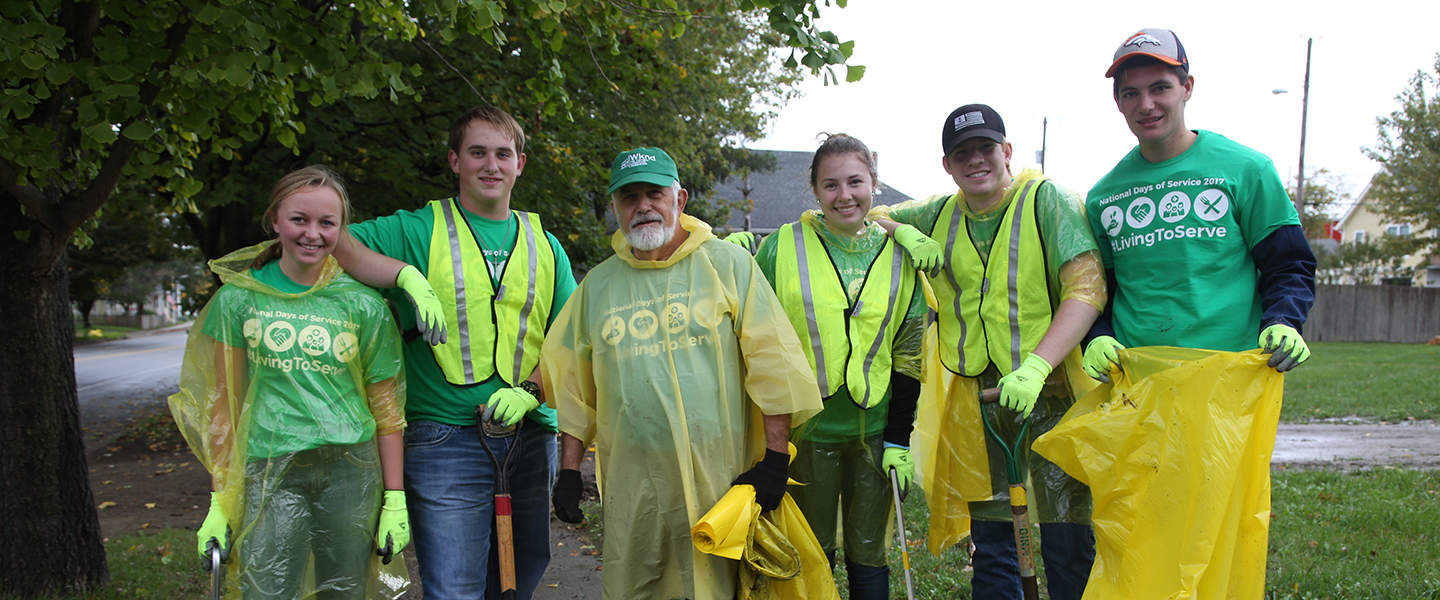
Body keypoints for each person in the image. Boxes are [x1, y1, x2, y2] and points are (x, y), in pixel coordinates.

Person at [541, 147, 824, 600]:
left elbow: (773, 364)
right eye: (629, 197)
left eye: (655, 193)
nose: (643, 206)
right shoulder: (599, 286)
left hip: (718, 476)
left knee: (714, 585)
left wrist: (775, 460)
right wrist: (570, 470)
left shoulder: (726, 266)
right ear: (616, 208)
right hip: (632, 484)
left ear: (680, 198)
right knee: (635, 583)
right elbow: (575, 384)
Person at [332, 106, 579, 599]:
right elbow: (329, 240)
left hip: (530, 438)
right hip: (444, 440)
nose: (491, 164)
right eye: (477, 152)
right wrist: (402, 274)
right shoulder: (418, 229)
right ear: (454, 161)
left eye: (502, 154)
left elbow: (572, 340)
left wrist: (533, 391)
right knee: (455, 588)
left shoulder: (546, 244)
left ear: (520, 164)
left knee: (520, 576)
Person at [878, 104, 1105, 600]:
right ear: (947, 164)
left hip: (1052, 391)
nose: (975, 160)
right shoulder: (937, 213)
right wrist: (903, 231)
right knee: (994, 534)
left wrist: (1038, 368)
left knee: (1067, 530)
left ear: (1007, 151)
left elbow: (1086, 289)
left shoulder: (1048, 201)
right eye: (963, 153)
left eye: (986, 148)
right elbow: (865, 212)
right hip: (977, 396)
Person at [170, 166, 410, 598]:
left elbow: (387, 412)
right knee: (268, 589)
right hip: (267, 469)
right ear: (275, 220)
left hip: (349, 472)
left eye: (327, 223)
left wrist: (395, 499)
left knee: (346, 591)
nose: (312, 234)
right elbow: (223, 407)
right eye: (300, 219)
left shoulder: (363, 305)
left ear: (342, 229)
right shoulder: (240, 299)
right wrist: (220, 502)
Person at [739, 133, 926, 599]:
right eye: (830, 185)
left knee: (869, 553)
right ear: (815, 191)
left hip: (875, 432)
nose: (845, 196)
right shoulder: (783, 247)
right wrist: (728, 252)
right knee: (814, 551)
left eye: (855, 182)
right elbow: (753, 330)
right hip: (809, 433)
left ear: (874, 183)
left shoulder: (902, 253)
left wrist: (899, 440)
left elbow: (909, 353)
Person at [1082, 28, 1316, 379]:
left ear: (1187, 87)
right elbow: (1100, 292)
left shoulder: (1247, 170)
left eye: (1160, 87)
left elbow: (1289, 264)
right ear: (1118, 102)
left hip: (1230, 378)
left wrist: (1283, 320)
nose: (1146, 105)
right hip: (1137, 381)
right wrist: (1097, 337)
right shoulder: (1103, 196)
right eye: (1131, 93)